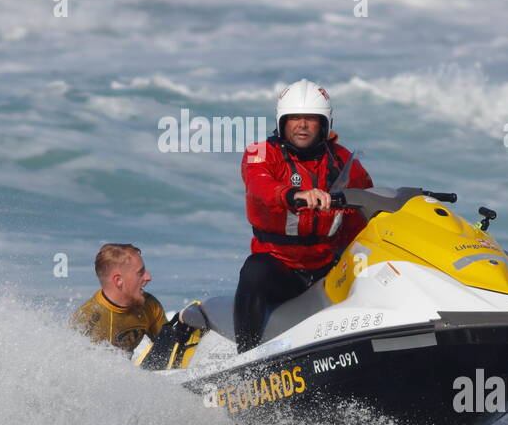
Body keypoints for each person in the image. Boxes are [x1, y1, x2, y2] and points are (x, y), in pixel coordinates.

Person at [233, 79, 372, 352]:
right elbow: (261, 186)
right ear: (282, 122)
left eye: (311, 119)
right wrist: (293, 195)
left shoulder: (346, 162)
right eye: (295, 118)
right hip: (281, 268)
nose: (302, 125)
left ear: (325, 124)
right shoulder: (259, 153)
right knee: (254, 271)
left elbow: (367, 206)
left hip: (329, 267)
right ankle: (245, 358)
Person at [70, 243, 206, 368]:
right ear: (118, 281)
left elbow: (167, 351)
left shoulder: (149, 305)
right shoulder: (89, 321)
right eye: (140, 273)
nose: (148, 277)